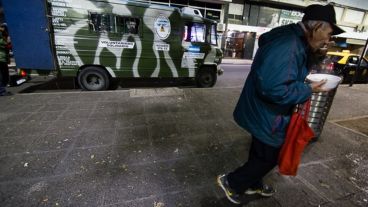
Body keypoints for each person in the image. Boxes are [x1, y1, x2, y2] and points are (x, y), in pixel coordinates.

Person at [217, 4, 345, 204]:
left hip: (260, 110)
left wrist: (316, 53)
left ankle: (253, 184)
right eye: (329, 33)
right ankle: (233, 182)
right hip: (268, 113)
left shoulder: (293, 38)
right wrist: (308, 89)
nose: (329, 39)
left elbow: (286, 71)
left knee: (260, 150)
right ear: (318, 26)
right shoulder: (289, 45)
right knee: (270, 156)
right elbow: (273, 89)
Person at [0, 23, 11, 96]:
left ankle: (2, 89)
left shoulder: (4, 35)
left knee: (5, 75)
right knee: (1, 75)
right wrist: (8, 42)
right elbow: (3, 44)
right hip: (0, 58)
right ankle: (1, 91)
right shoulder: (2, 36)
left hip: (3, 58)